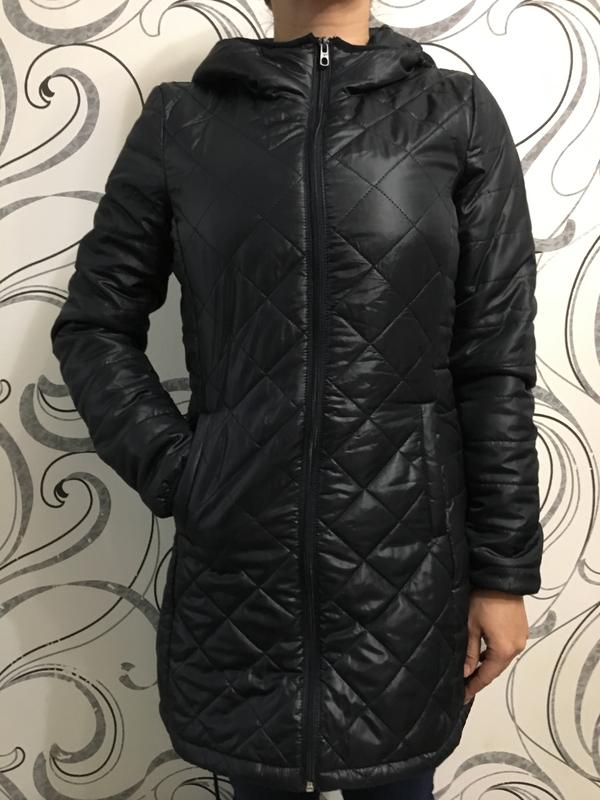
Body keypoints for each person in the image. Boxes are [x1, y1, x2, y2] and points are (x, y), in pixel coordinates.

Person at [49, 0, 544, 798]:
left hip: (408, 576)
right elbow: (94, 326)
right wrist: (182, 471)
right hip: (242, 578)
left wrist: (502, 575)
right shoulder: (182, 121)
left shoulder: (454, 113)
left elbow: (495, 360)